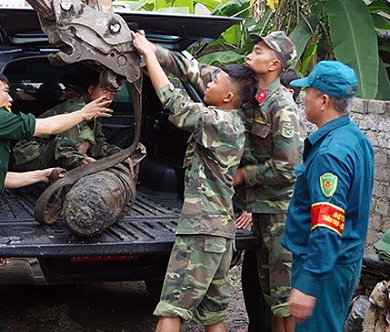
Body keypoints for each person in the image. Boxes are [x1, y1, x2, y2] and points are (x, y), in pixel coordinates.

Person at [132, 31, 257, 332]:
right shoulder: (233, 120)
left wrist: (149, 55)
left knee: (172, 309)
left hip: (201, 231)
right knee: (213, 317)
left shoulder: (219, 122)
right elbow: (191, 75)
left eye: (215, 83)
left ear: (228, 97)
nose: (208, 84)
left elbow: (175, 104)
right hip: (219, 232)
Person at [0, 70, 113, 248]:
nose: (10, 99)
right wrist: (82, 113)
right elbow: (48, 128)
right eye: (5, 91)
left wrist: (42, 175)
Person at [282, 60, 374, 331]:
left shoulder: (330, 154)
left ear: (323, 101)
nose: (304, 98)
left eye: (308, 91)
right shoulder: (355, 138)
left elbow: (327, 225)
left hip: (325, 266)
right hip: (343, 261)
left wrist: (308, 283)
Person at [234, 31, 306, 332]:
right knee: (271, 295)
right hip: (262, 210)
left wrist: (244, 175)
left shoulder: (282, 108)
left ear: (275, 64)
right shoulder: (254, 100)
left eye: (260, 50)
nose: (252, 53)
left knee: (284, 298)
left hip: (280, 214)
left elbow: (289, 167)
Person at [11, 70, 128, 171]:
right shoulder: (77, 109)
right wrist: (82, 162)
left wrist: (119, 155)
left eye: (113, 94)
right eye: (104, 91)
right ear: (91, 89)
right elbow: (63, 150)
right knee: (86, 136)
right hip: (26, 157)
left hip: (46, 153)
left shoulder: (94, 110)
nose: (109, 97)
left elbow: (97, 144)